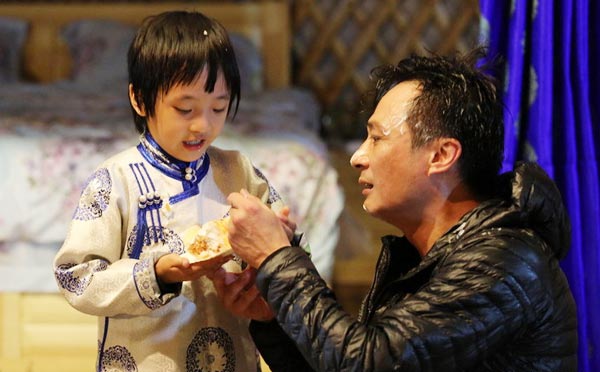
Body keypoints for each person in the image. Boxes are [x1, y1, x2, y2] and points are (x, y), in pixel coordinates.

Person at [210, 47, 578, 371]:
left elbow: (365, 362)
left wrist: (278, 258)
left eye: (377, 138)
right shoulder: (430, 255)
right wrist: (275, 318)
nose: (358, 157)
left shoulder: (502, 261)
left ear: (441, 155)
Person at [53, 10, 298, 371]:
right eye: (185, 109)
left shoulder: (238, 170)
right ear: (139, 100)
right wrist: (157, 274)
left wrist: (280, 240)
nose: (203, 125)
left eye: (218, 107)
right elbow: (75, 278)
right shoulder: (115, 180)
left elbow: (281, 253)